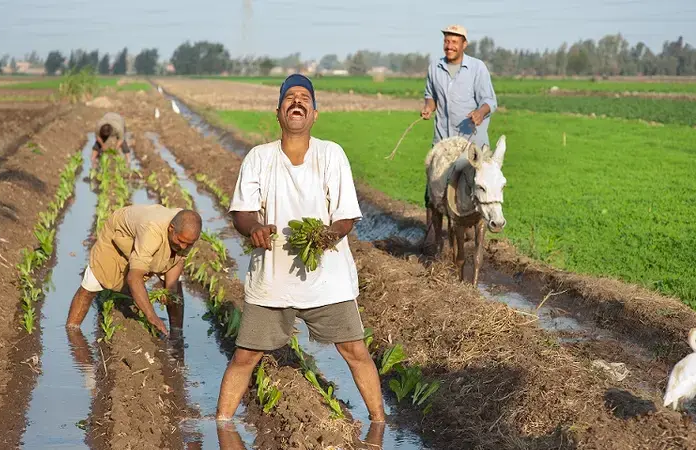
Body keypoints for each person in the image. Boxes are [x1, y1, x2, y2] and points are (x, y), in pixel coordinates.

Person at [215, 74, 385, 423]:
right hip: (273, 278)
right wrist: (255, 229)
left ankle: (380, 422)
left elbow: (346, 217)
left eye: (304, 97)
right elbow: (242, 212)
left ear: (314, 113)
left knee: (355, 349)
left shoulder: (331, 154)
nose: (297, 101)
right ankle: (221, 422)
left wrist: (327, 236)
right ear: (279, 112)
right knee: (246, 355)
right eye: (290, 97)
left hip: (327, 277)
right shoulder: (259, 157)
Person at [65, 204, 202, 337]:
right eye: (181, 241)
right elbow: (134, 277)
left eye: (189, 244)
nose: (184, 246)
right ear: (171, 228)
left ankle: (176, 333)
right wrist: (152, 316)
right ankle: (72, 330)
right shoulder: (152, 230)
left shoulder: (186, 231)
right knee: (92, 283)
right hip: (121, 234)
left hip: (151, 238)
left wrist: (170, 290)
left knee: (174, 290)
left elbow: (177, 262)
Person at [420, 24, 498, 255]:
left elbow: (489, 101)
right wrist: (428, 108)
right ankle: (434, 241)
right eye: (447, 41)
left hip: (471, 144)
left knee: (475, 189)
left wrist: (479, 113)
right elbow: (430, 96)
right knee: (434, 192)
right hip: (443, 143)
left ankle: (474, 232)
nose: (450, 45)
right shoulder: (435, 67)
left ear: (464, 44)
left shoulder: (477, 68)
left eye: (455, 42)